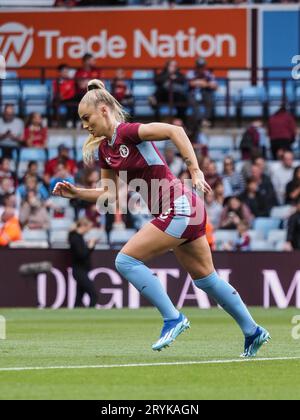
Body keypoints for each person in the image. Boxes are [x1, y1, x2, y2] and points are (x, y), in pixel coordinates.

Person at [53, 78, 270, 358]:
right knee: (206, 280)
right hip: (181, 212)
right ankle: (253, 332)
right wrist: (76, 193)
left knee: (125, 260)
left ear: (104, 110)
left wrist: (195, 170)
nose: (85, 125)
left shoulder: (129, 132)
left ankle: (173, 318)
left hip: (180, 206)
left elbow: (174, 130)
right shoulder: (105, 151)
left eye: (87, 117)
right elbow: (110, 196)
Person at [68, 218, 98, 307]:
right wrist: (90, 247)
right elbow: (81, 255)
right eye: (89, 227)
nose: (89, 230)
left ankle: (74, 316)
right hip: (79, 271)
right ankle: (91, 316)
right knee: (94, 295)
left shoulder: (78, 237)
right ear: (83, 226)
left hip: (82, 270)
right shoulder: (75, 238)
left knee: (78, 299)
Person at [188, 57, 218, 129]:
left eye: (202, 66)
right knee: (193, 101)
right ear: (196, 66)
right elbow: (191, 83)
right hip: (193, 93)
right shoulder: (191, 73)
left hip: (205, 93)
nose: (200, 68)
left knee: (210, 99)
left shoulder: (208, 74)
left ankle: (205, 119)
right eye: (199, 66)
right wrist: (204, 83)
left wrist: (204, 84)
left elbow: (215, 86)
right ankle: (201, 121)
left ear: (204, 66)